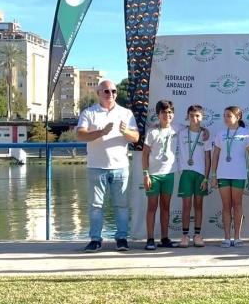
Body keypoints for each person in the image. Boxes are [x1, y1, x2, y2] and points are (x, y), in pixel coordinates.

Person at [76, 79, 139, 253]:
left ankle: (122, 238)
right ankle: (95, 240)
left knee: (121, 206)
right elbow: (80, 135)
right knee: (96, 206)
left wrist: (125, 131)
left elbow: (135, 138)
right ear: (98, 93)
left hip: (120, 167)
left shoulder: (126, 113)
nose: (110, 94)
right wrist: (101, 132)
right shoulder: (89, 113)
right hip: (96, 167)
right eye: (106, 91)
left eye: (113, 91)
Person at [210, 106, 249, 248]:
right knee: (226, 206)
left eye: (229, 116)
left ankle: (237, 237)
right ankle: (226, 237)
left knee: (237, 205)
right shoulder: (220, 134)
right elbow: (216, 155)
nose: (226, 118)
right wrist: (213, 174)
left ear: (238, 117)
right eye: (224, 116)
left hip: (239, 174)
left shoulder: (246, 133)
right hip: (223, 174)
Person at [142, 99, 179, 250]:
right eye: (163, 112)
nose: (167, 115)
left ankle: (164, 238)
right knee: (152, 207)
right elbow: (144, 155)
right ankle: (150, 239)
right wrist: (145, 174)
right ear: (158, 114)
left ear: (173, 115)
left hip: (169, 174)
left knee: (165, 207)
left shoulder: (177, 129)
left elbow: (196, 128)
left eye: (170, 112)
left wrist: (205, 131)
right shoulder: (152, 131)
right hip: (154, 175)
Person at [177, 105, 212, 248]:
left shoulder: (205, 135)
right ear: (187, 116)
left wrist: (206, 178)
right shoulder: (181, 131)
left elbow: (208, 158)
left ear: (202, 117)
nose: (194, 118)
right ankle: (184, 236)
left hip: (200, 174)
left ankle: (197, 235)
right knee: (186, 205)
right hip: (186, 173)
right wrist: (155, 124)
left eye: (197, 116)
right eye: (191, 115)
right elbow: (166, 124)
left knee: (198, 204)